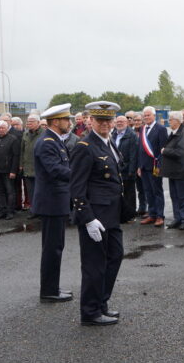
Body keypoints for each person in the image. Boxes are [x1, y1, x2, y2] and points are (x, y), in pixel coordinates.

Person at [71, 101, 126, 327]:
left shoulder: (108, 141)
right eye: (100, 120)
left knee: (115, 256)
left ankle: (101, 302)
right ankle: (90, 312)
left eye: (108, 120)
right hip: (95, 216)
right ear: (90, 121)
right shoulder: (84, 146)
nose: (105, 124)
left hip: (111, 214)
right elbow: (76, 187)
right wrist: (88, 219)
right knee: (94, 265)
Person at [33, 104, 75, 304]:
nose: (70, 123)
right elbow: (55, 170)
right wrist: (80, 176)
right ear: (56, 121)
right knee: (52, 248)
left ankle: (52, 287)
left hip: (56, 201)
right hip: (52, 202)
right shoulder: (47, 142)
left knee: (56, 246)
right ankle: (49, 291)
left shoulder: (54, 140)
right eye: (67, 120)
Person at [160, 111, 184, 230]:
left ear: (178, 121)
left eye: (171, 119)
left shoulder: (183, 133)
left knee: (182, 196)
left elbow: (180, 152)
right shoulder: (174, 133)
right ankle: (177, 218)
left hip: (181, 171)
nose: (169, 121)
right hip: (173, 171)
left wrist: (165, 151)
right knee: (174, 196)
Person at [137, 106, 167, 227]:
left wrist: (160, 165)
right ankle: (152, 214)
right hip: (144, 166)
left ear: (154, 116)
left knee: (157, 191)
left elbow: (163, 149)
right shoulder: (142, 129)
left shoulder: (161, 129)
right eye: (145, 115)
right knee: (148, 191)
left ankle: (160, 216)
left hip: (155, 166)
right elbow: (140, 149)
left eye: (148, 115)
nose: (146, 117)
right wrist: (139, 166)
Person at [0, 119, 21, 219]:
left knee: (10, 191)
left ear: (7, 128)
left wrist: (13, 171)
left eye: (3, 128)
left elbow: (16, 156)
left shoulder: (13, 139)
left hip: (7, 171)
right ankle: (2, 211)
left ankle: (10, 211)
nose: (1, 130)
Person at [111, 114, 138, 223]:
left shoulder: (131, 135)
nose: (119, 123)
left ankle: (130, 215)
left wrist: (132, 171)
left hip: (127, 169)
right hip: (115, 169)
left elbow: (133, 155)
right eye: (118, 121)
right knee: (118, 193)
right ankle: (120, 214)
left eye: (122, 121)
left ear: (127, 123)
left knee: (129, 194)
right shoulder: (113, 134)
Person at [19, 114, 42, 215]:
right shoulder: (26, 134)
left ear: (38, 122)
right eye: (28, 122)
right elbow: (22, 151)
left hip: (39, 169)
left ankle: (43, 210)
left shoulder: (44, 134)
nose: (29, 124)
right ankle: (34, 211)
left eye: (31, 121)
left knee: (40, 192)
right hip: (27, 168)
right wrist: (21, 164)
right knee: (30, 191)